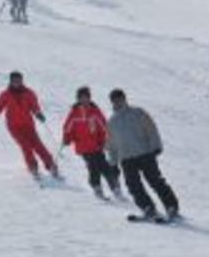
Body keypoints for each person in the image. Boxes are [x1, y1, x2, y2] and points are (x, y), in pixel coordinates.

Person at [106, 89, 179, 220]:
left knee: (155, 180)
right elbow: (111, 144)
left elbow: (151, 129)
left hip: (144, 153)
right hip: (126, 158)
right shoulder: (112, 121)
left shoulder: (138, 113)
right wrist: (113, 162)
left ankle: (171, 206)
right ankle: (147, 207)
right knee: (133, 185)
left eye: (119, 99)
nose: (117, 102)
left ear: (124, 99)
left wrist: (156, 146)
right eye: (114, 100)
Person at [0, 71, 59, 179]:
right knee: (25, 146)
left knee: (38, 145)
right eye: (14, 80)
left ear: (22, 81)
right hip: (14, 127)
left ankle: (51, 165)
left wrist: (38, 114)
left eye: (18, 80)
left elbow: (35, 107)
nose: (16, 82)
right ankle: (33, 166)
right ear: (10, 81)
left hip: (28, 125)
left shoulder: (29, 93)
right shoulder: (6, 94)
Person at [62, 87, 122, 199]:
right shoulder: (74, 112)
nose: (84, 100)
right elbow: (68, 128)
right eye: (82, 98)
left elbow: (104, 126)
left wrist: (104, 140)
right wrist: (67, 138)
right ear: (78, 99)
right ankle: (97, 187)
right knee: (93, 166)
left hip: (96, 145)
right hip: (83, 146)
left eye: (86, 97)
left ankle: (114, 186)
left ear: (89, 98)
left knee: (104, 166)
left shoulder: (95, 111)